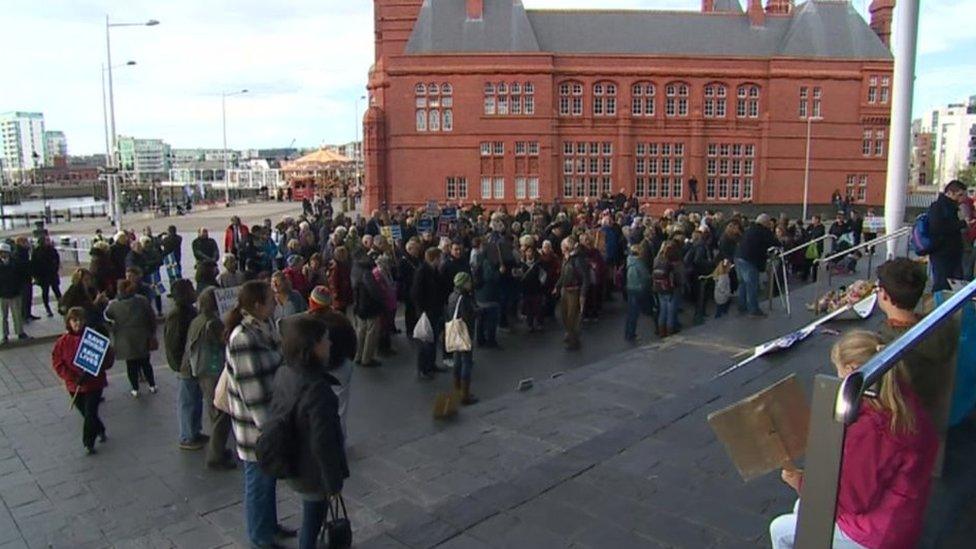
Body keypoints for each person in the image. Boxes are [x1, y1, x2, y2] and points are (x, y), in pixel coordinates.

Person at [769, 330, 937, 549]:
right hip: (903, 514)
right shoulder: (904, 402)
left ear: (851, 370)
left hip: (877, 534)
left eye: (838, 370)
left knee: (780, 528)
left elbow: (853, 501)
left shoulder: (871, 428)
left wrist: (801, 482)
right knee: (802, 507)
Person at [224, 280, 295, 548]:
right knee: (258, 482)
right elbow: (251, 391)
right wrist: (269, 429)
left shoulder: (265, 327)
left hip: (272, 417)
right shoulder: (242, 338)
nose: (275, 301)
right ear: (257, 305)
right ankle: (259, 536)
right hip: (256, 428)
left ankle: (271, 525)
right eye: (270, 298)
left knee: (269, 480)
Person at [269, 315, 350, 549]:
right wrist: (333, 483)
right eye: (325, 340)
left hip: (295, 461)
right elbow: (323, 442)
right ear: (312, 346)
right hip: (312, 471)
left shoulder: (285, 372)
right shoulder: (318, 390)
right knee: (313, 522)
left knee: (311, 516)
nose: (330, 344)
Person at [875, 258, 959, 422]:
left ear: (884, 295)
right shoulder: (943, 325)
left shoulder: (885, 342)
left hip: (907, 421)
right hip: (939, 412)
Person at [185, 287, 236, 470]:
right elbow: (225, 340)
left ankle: (218, 451)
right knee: (220, 412)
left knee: (214, 409)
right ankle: (216, 454)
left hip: (201, 369)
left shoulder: (198, 320)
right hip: (212, 369)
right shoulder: (212, 323)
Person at [51, 307, 113, 454]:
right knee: (85, 413)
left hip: (94, 383)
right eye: (74, 320)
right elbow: (57, 362)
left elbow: (107, 360)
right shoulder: (62, 342)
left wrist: (93, 371)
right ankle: (99, 428)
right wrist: (72, 377)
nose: (77, 323)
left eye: (80, 320)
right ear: (69, 322)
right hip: (74, 385)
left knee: (90, 412)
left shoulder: (93, 338)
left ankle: (88, 442)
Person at [305, 286, 357, 434]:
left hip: (318, 371)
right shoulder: (340, 319)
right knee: (341, 407)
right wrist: (349, 359)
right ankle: (340, 440)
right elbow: (352, 341)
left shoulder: (308, 323)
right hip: (341, 367)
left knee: (317, 408)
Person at [164, 279, 205, 451]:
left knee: (195, 398)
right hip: (185, 364)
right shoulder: (178, 314)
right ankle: (187, 435)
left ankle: (194, 430)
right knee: (187, 400)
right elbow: (174, 343)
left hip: (191, 362)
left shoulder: (188, 311)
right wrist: (179, 364)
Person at [104, 279, 158, 397]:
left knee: (131, 366)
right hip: (142, 337)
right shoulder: (142, 301)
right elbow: (151, 317)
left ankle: (135, 388)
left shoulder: (114, 305)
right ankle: (152, 385)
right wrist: (152, 333)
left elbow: (107, 316)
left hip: (125, 341)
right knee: (146, 363)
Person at [926, 180, 969, 291]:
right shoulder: (938, 207)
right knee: (942, 284)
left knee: (955, 284)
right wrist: (962, 224)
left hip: (953, 251)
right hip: (942, 252)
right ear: (950, 193)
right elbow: (937, 227)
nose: (961, 198)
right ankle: (939, 306)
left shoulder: (955, 208)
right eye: (959, 195)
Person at [735, 214, 779, 317]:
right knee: (752, 285)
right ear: (765, 223)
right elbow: (774, 242)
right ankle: (753, 310)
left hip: (739, 257)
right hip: (749, 260)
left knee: (743, 284)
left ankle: (742, 306)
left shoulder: (750, 229)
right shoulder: (763, 231)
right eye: (768, 223)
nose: (770, 225)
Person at [412, 247, 446, 379]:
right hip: (426, 311)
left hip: (435, 309)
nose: (441, 260)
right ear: (435, 258)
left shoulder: (435, 271)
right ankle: (423, 368)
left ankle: (431, 364)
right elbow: (416, 293)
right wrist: (421, 310)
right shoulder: (422, 271)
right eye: (440, 258)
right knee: (425, 341)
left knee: (433, 339)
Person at [446, 272, 478, 405]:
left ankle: (457, 390)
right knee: (466, 361)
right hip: (464, 331)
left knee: (457, 360)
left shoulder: (453, 295)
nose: (470, 284)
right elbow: (467, 316)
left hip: (454, 331)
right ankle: (465, 395)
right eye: (468, 282)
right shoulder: (464, 298)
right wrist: (477, 312)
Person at [555, 237, 589, 351]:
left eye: (562, 246)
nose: (561, 249)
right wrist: (557, 286)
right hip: (565, 289)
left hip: (574, 290)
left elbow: (585, 277)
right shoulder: (566, 259)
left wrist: (582, 294)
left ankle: (573, 339)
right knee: (564, 314)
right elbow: (563, 274)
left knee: (572, 316)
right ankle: (569, 333)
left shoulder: (577, 259)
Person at [653, 241, 682, 337]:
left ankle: (661, 331)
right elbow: (678, 276)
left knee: (662, 310)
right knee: (671, 311)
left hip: (659, 287)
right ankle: (670, 331)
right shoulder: (674, 262)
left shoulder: (656, 259)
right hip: (671, 289)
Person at [0, 243, 28, 343]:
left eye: (4, 252)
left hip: (15, 292)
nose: (2, 254)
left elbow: (20, 276)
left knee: (17, 314)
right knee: (4, 316)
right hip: (3, 294)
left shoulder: (15, 263)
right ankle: (5, 335)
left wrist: (19, 288)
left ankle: (20, 332)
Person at [624, 244, 650, 342]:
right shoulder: (639, 263)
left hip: (630, 287)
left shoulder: (629, 261)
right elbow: (645, 276)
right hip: (638, 288)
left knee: (631, 313)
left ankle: (628, 333)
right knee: (634, 313)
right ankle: (631, 334)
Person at [31, 236, 62, 317]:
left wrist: (55, 268)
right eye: (47, 240)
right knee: (45, 292)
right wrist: (36, 276)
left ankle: (61, 305)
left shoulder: (52, 250)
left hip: (52, 274)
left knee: (57, 291)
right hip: (43, 276)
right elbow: (34, 264)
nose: (49, 241)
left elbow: (57, 260)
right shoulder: (36, 251)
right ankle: (47, 308)